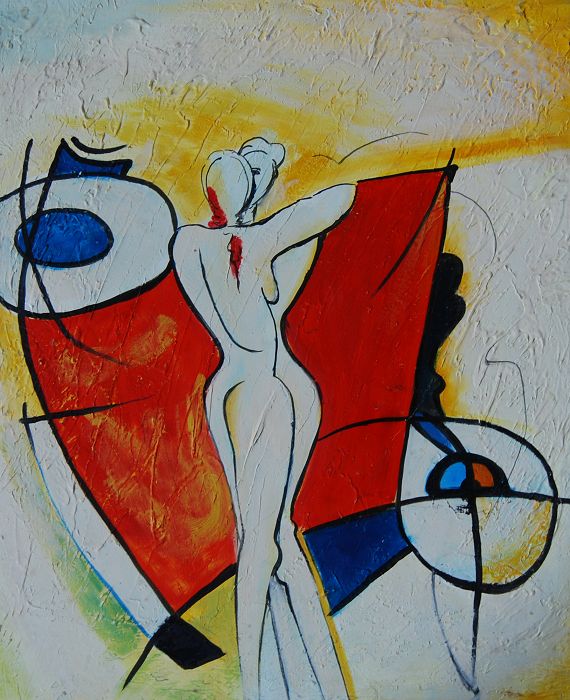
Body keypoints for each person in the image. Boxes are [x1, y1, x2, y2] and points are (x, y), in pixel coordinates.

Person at [171, 138, 355, 700]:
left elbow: (261, 300)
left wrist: (261, 216)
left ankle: (320, 681)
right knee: (265, 546)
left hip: (233, 387)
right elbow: (339, 198)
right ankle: (256, 686)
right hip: (262, 391)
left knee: (272, 542)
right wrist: (271, 220)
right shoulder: (256, 243)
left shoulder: (190, 243)